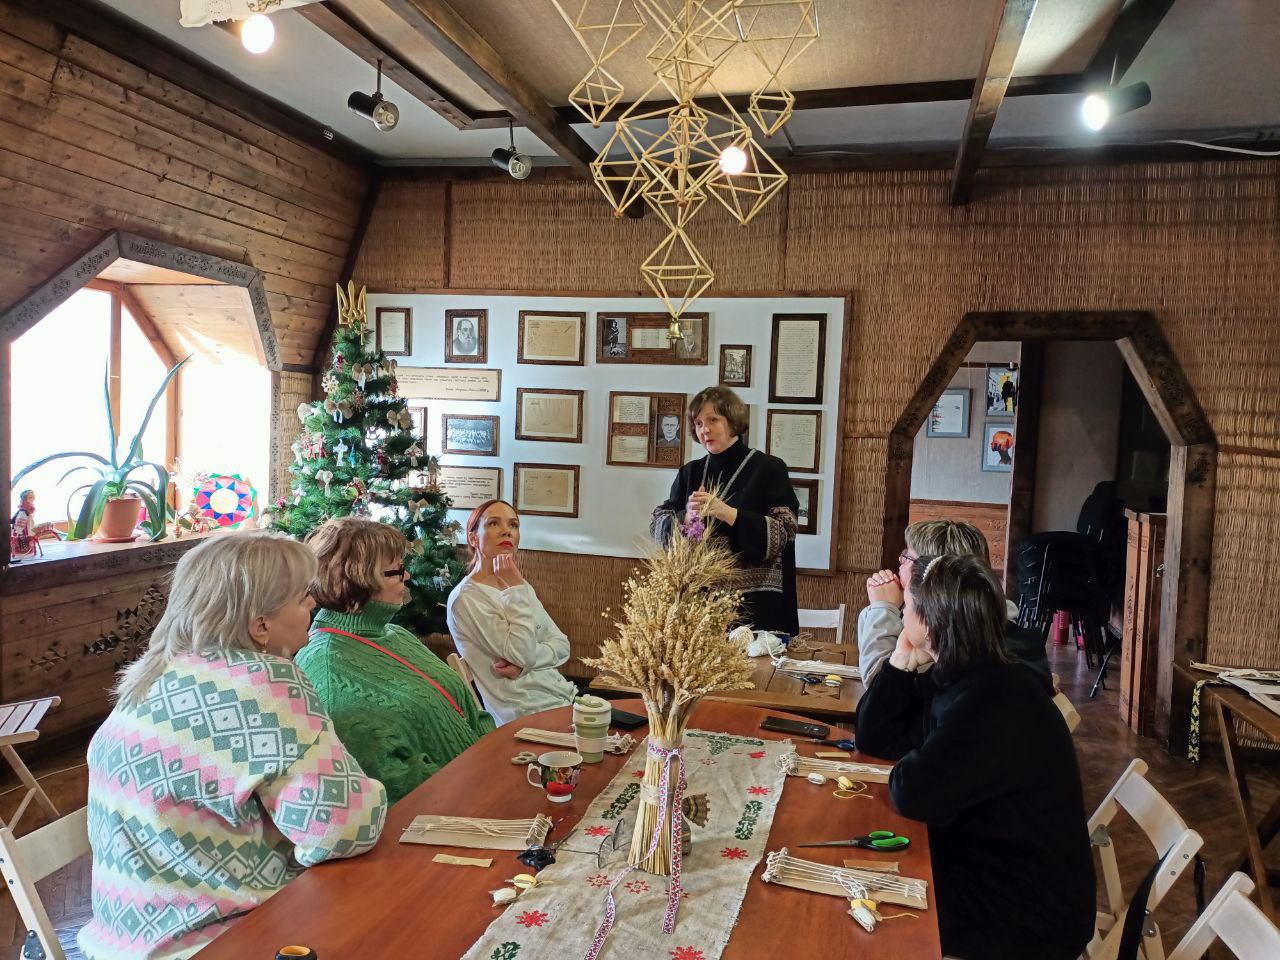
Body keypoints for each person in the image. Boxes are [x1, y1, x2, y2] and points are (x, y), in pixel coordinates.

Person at [79, 532, 387, 960]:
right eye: (302, 597)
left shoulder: (152, 677)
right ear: (261, 625)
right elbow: (342, 829)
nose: (314, 605)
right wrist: (370, 791)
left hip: (115, 945)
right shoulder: (265, 683)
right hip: (220, 942)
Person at [854, 554, 1095, 960]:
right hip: (988, 867)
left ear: (931, 623)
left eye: (907, 606)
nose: (902, 614)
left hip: (1026, 914)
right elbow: (875, 738)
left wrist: (915, 760)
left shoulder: (994, 700)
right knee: (867, 878)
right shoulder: (964, 673)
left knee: (869, 907)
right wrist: (899, 662)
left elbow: (913, 792)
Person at [297, 517, 495, 803]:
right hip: (443, 809)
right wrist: (474, 783)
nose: (407, 576)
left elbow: (470, 711)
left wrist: (493, 757)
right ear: (355, 580)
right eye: (397, 571)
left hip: (483, 783)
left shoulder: (395, 633)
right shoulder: (327, 668)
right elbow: (386, 781)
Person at [651, 386, 799, 636]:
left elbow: (785, 530)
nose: (704, 430)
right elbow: (657, 523)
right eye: (698, 423)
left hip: (758, 606)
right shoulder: (690, 472)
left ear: (732, 421)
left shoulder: (768, 468)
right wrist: (685, 517)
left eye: (713, 420)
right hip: (699, 606)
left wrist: (728, 513)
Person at [858, 519, 1050, 688]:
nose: (900, 561)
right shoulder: (987, 622)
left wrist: (883, 609)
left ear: (936, 572)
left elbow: (878, 686)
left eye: (908, 557)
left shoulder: (959, 639)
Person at [447, 499, 577, 725]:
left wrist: (525, 665)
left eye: (513, 525)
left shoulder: (520, 585)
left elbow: (562, 645)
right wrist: (515, 590)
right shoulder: (466, 599)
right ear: (473, 538)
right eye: (494, 523)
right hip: (525, 715)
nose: (507, 531)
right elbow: (522, 654)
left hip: (564, 699)